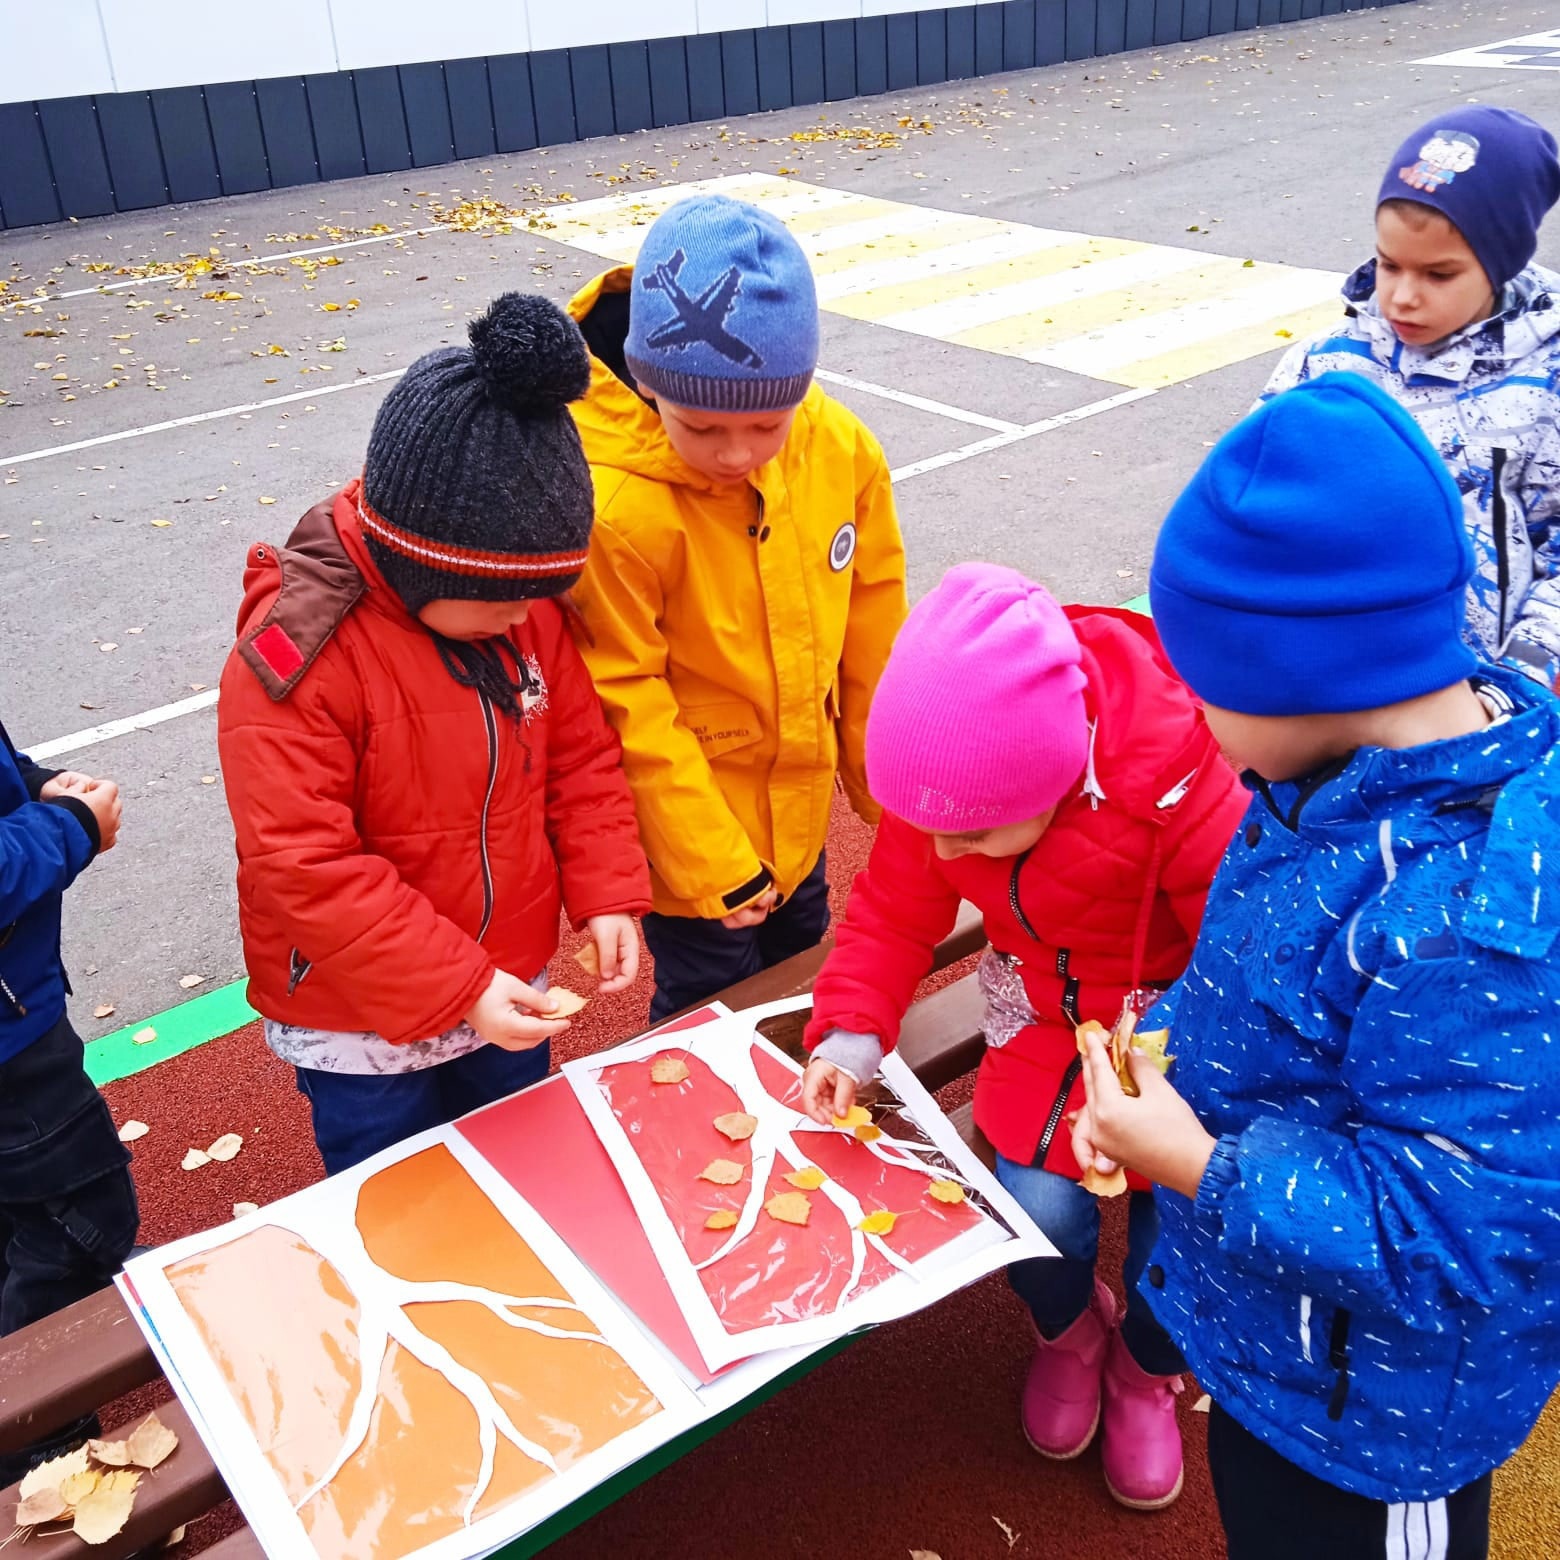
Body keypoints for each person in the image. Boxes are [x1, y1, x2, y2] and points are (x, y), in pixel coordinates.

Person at [1073, 372, 1560, 1560]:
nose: (1195, 716)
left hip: (1378, 1422)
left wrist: (1192, 1161)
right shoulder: (1314, 781)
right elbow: (1255, 968)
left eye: (1206, 687)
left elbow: (1449, 1240)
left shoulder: (1470, 922)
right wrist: (1166, 1050)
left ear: (1301, 678)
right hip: (1281, 1355)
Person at [798, 563, 1248, 1510]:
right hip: (1044, 1015)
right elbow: (887, 913)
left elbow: (1242, 954)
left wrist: (1149, 1062)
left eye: (970, 839)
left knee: (1195, 1218)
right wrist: (848, 1031)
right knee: (1036, 1209)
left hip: (1183, 1028)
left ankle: (1146, 1365)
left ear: (1054, 783)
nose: (944, 857)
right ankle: (1071, 1330)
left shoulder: (1173, 779)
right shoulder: (951, 789)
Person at [218, 294, 651, 1176]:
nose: (525, 618)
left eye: (540, 593)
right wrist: (459, 986)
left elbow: (580, 758)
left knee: (525, 1173)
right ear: (420, 561)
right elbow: (302, 861)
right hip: (360, 1018)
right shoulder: (302, 653)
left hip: (508, 982)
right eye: (501, 599)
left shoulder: (514, 612)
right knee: (397, 1201)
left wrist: (608, 889)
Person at [567, 193, 907, 1023]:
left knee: (802, 986)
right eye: (700, 425)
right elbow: (626, 697)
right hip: (698, 841)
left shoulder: (841, 448)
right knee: (704, 1013)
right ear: (647, 383)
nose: (736, 453)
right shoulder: (614, 506)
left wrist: (889, 794)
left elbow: (875, 629)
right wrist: (708, 860)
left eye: (766, 423)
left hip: (798, 814)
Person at [1262, 105, 1560, 685]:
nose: (1401, 297)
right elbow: (1253, 499)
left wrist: (1530, 664)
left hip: (1487, 690)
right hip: (1329, 677)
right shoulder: (1325, 363)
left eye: (1438, 275)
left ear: (1502, 265)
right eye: (1389, 265)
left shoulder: (1548, 383)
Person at [0, 734, 133, 1485]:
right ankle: (44, 1445)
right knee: (83, 1221)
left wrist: (37, 783)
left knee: (19, 1220)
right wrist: (71, 826)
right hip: (9, 1041)